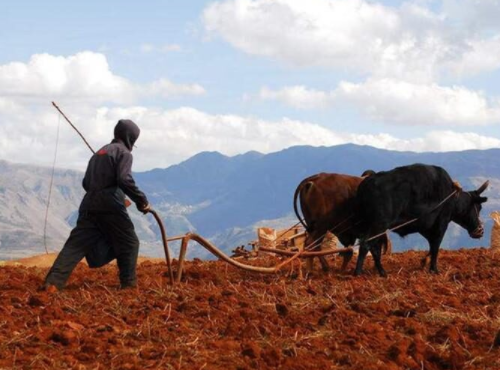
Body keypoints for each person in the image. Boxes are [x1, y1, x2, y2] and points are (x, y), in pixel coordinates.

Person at [43, 119, 150, 290]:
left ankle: (52, 284)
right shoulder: (124, 153)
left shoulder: (98, 153)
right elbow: (124, 179)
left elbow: (86, 183)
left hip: (89, 203)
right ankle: (128, 287)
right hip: (110, 204)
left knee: (75, 245)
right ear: (131, 138)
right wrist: (141, 200)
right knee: (129, 243)